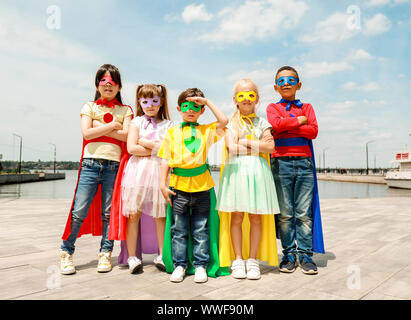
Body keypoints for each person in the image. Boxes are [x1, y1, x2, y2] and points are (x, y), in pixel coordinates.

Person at [60, 64, 133, 275]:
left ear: (119, 86)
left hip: (113, 167)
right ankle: (66, 252)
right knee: (79, 210)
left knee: (109, 213)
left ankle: (105, 253)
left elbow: (127, 136)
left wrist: (98, 129)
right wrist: (112, 127)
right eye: (104, 81)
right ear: (97, 84)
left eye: (112, 82)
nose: (108, 85)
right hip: (90, 165)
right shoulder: (89, 107)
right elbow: (87, 134)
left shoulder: (125, 110)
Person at [158, 88, 230, 283]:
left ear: (202, 110)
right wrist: (162, 184)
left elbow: (224, 121)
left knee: (201, 229)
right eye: (186, 106)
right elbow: (165, 159)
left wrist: (207, 101)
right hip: (178, 187)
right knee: (179, 230)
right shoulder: (172, 132)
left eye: (196, 107)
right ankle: (180, 265)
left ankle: (200, 266)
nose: (191, 110)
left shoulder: (206, 131)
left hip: (202, 187)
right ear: (179, 108)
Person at [217, 79, 280, 280]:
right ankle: (237, 259)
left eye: (251, 95)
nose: (246, 99)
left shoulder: (263, 123)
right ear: (235, 99)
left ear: (257, 99)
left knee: (255, 217)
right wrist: (256, 144)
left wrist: (244, 141)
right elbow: (231, 148)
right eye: (242, 95)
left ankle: (252, 260)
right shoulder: (230, 123)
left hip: (258, 174)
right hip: (236, 174)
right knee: (236, 216)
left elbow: (270, 148)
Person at [109, 84, 173, 274]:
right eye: (146, 101)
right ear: (140, 102)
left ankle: (162, 254)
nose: (150, 105)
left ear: (161, 102)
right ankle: (132, 256)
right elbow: (131, 149)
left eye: (154, 101)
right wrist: (154, 147)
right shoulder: (136, 122)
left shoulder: (168, 125)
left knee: (160, 214)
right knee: (134, 213)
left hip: (159, 172)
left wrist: (144, 143)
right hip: (137, 172)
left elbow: (168, 150)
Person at [266, 66, 325, 275]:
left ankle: (305, 255)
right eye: (281, 81)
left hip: (304, 164)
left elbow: (313, 131)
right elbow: (274, 124)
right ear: (275, 87)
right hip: (280, 164)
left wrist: (286, 125)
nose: (286, 84)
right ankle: (289, 254)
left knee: (303, 214)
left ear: (298, 85)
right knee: (285, 213)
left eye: (291, 80)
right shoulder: (272, 107)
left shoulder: (307, 107)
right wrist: (299, 122)